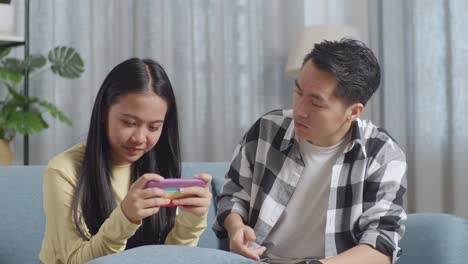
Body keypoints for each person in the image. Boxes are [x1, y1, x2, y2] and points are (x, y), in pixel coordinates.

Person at [213, 39, 407, 264]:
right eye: (298, 92)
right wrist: (236, 227)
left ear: (353, 112)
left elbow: (382, 244)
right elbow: (233, 194)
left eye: (316, 103)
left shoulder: (381, 154)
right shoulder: (268, 130)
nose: (300, 110)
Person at [39, 58, 212, 264]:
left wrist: (193, 219)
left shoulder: (159, 164)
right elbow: (76, 260)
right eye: (129, 123)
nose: (140, 138)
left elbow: (169, 257)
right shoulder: (63, 170)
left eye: (154, 127)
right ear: (104, 112)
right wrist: (125, 218)